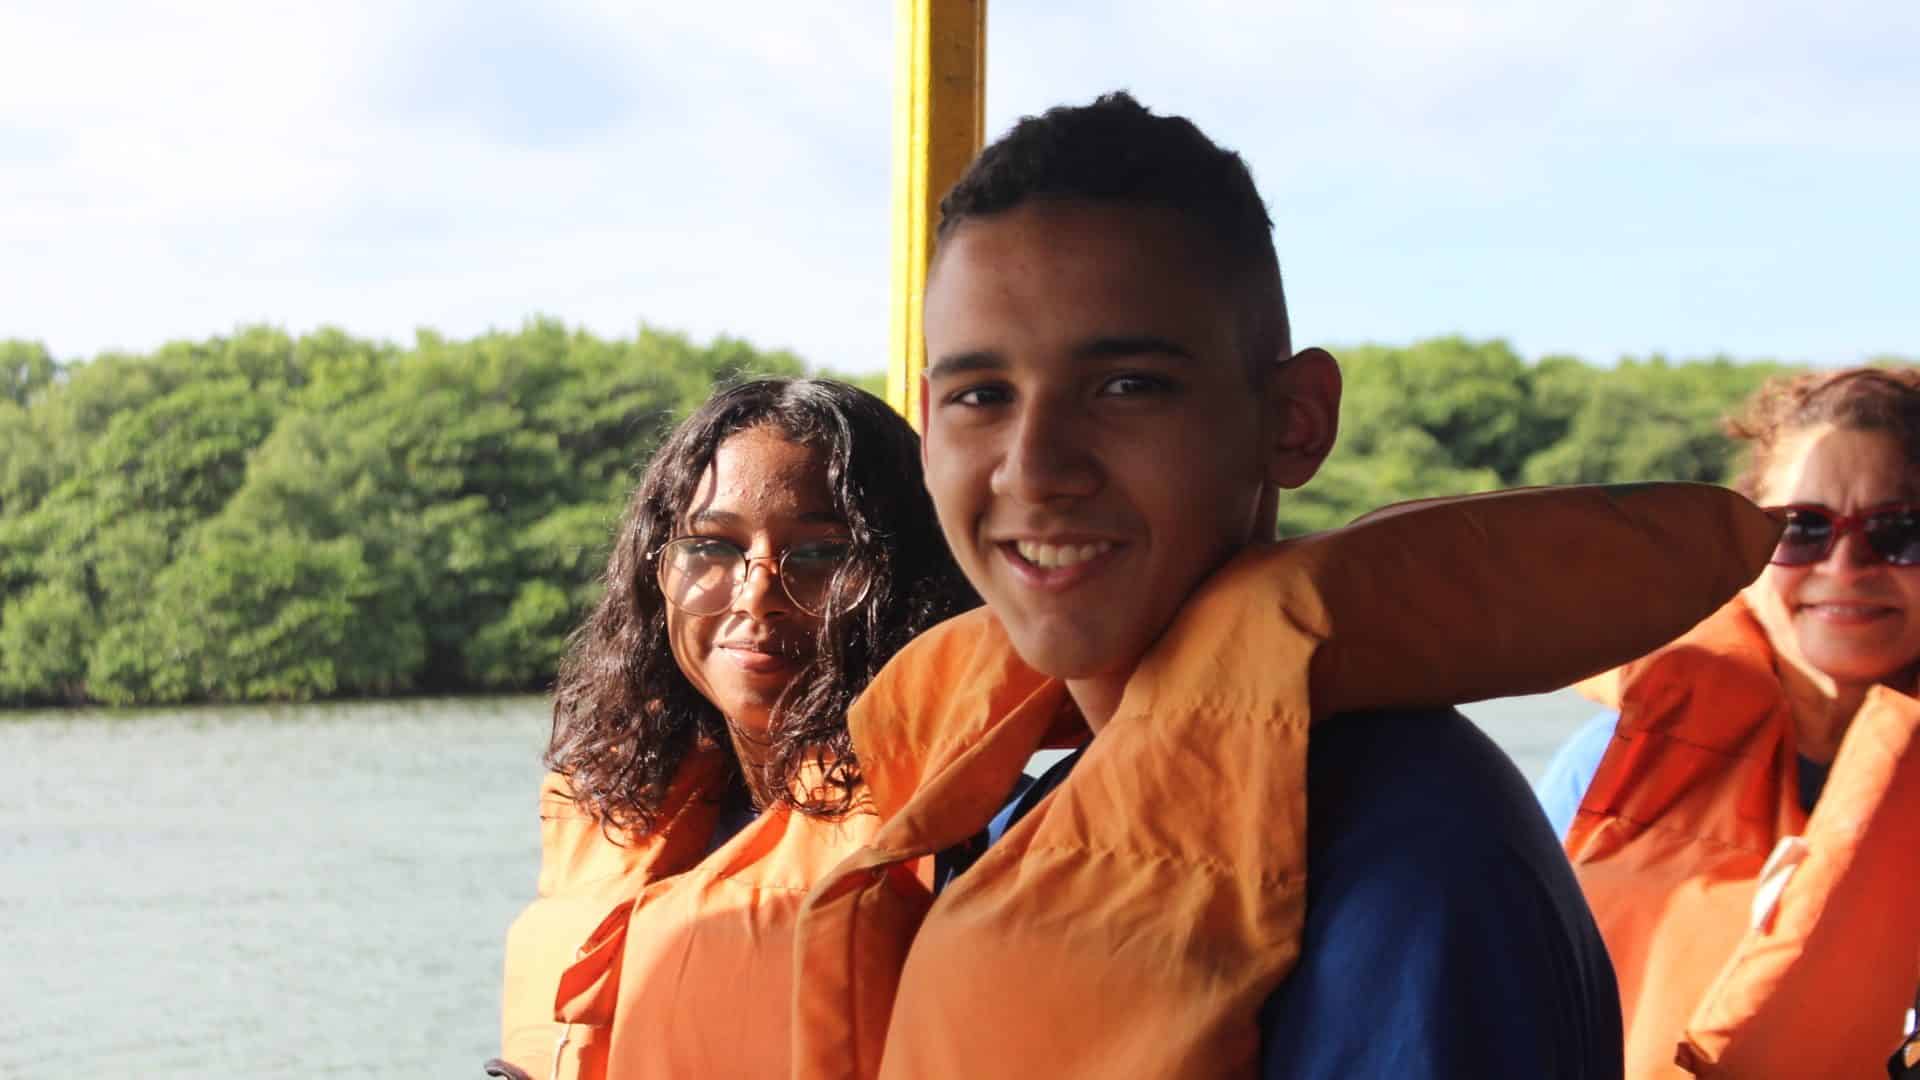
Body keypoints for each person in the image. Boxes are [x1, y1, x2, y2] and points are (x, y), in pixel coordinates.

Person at [787, 92, 1775, 1080]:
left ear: (1295, 420)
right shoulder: (1011, 819)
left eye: (1128, 386)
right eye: (980, 397)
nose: (1034, 467)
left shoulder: (1416, 856)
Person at [490, 378, 976, 1080]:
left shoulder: (966, 834)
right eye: (712, 548)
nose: (757, 596)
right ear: (656, 571)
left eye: (821, 555)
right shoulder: (624, 802)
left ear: (908, 582)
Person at [1538, 367, 1920, 1077]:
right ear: (1742, 549)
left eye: (1902, 532)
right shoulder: (1601, 766)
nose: (1846, 564)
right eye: (1801, 528)